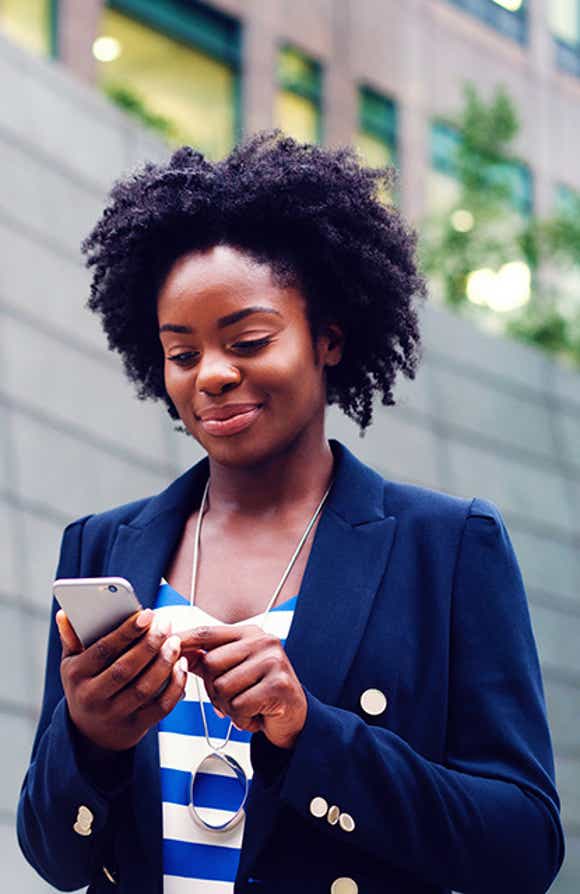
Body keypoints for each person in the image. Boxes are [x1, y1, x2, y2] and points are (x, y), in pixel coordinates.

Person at [17, 131, 564, 894]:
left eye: (248, 340)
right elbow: (55, 857)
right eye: (182, 354)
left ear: (328, 339)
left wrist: (312, 734)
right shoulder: (102, 546)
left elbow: (524, 848)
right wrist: (88, 742)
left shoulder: (447, 547)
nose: (211, 375)